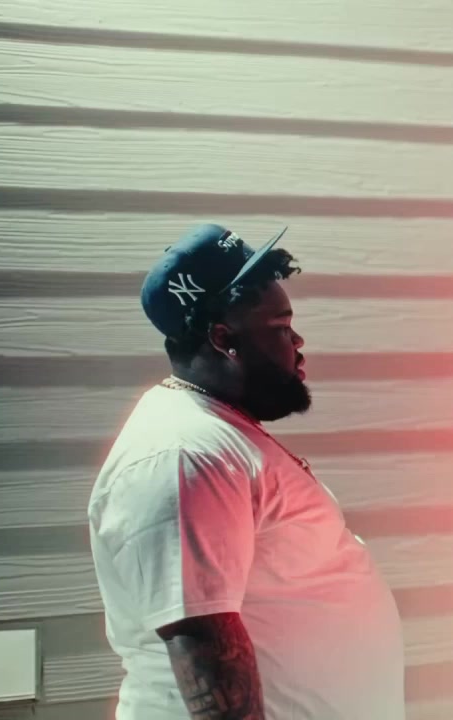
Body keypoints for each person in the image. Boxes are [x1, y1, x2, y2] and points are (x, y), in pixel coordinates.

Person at [88, 225, 405, 720]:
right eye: (281, 327)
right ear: (224, 338)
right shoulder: (183, 454)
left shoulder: (216, 434)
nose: (298, 341)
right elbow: (202, 648)